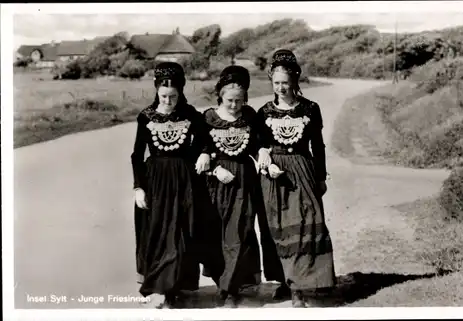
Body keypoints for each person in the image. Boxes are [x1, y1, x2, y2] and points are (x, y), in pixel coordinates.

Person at [255, 49, 336, 308]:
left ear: (295, 80)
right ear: (271, 80)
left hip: (303, 170)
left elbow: (319, 146)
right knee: (277, 228)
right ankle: (286, 282)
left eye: (285, 83)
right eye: (276, 83)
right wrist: (264, 153)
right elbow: (257, 144)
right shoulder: (263, 111)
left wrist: (321, 177)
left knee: (308, 224)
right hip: (275, 176)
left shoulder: (311, 109)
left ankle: (306, 283)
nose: (280, 88)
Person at [131, 62, 211, 309]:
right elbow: (137, 154)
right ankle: (159, 287)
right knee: (157, 233)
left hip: (184, 180)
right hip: (155, 181)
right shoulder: (145, 117)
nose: (167, 101)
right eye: (163, 96)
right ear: (156, 90)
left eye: (173, 96)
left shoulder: (191, 116)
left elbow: (206, 140)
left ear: (181, 93)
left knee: (178, 233)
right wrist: (138, 187)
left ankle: (169, 288)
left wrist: (205, 153)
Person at [198, 65, 263, 308]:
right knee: (216, 233)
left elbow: (257, 144)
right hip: (215, 182)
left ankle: (229, 289)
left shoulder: (250, 117)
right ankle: (221, 281)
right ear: (220, 97)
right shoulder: (208, 118)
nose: (234, 105)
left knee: (239, 232)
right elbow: (200, 150)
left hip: (244, 181)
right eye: (229, 100)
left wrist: (263, 152)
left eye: (239, 100)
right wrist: (213, 166)